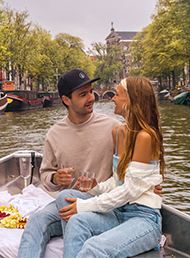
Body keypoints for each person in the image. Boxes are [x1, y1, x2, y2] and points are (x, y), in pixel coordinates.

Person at [57, 77, 165, 257]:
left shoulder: (146, 137)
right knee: (69, 207)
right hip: (117, 212)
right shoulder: (118, 133)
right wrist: (96, 188)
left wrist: (86, 206)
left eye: (117, 94)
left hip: (143, 218)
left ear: (131, 100)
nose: (112, 98)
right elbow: (118, 182)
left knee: (94, 248)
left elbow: (130, 190)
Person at [18, 69, 121, 258]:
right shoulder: (54, 134)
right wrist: (55, 178)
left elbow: (131, 168)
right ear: (66, 100)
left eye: (91, 91)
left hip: (101, 203)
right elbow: (46, 178)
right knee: (36, 221)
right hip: (67, 204)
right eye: (83, 94)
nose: (91, 97)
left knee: (65, 199)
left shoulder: (113, 127)